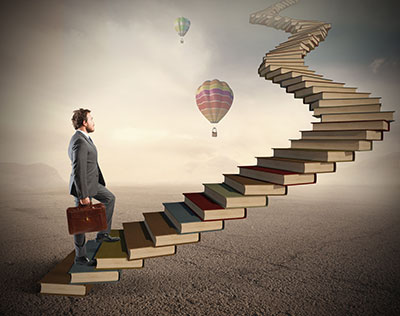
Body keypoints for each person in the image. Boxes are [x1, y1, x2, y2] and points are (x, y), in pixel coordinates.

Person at [68, 108, 120, 266]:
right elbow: (78, 169)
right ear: (84, 122)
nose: (93, 122)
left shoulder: (84, 138)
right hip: (82, 186)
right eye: (91, 119)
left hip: (92, 183)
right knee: (80, 222)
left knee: (109, 198)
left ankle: (102, 234)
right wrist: (83, 195)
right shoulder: (79, 141)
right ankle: (80, 257)